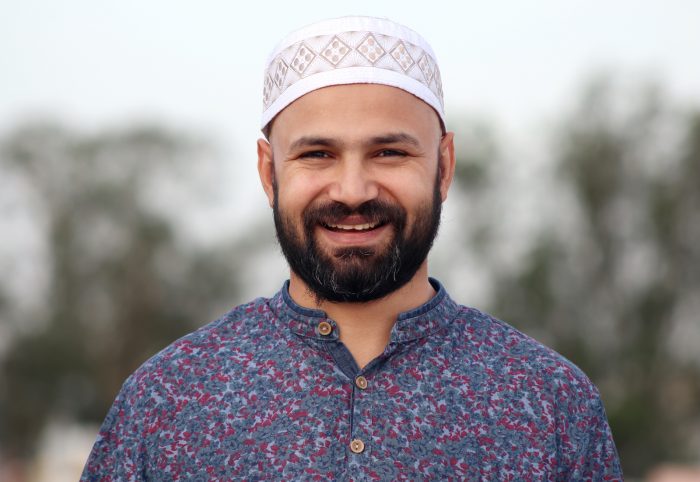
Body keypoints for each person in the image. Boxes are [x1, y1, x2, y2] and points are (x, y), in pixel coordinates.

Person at [81, 16, 623, 480]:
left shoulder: (550, 404)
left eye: (389, 152)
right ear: (269, 172)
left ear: (445, 166)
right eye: (317, 154)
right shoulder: (167, 400)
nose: (353, 191)